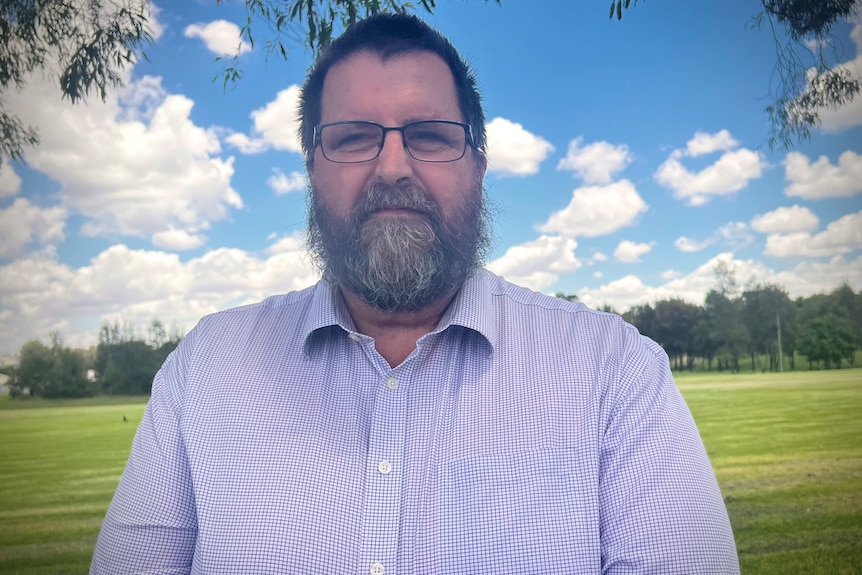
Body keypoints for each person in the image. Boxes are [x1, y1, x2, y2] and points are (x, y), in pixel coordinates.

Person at [91, 13, 740, 574]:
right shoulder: (205, 368)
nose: (393, 166)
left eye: (429, 135)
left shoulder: (612, 371)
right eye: (353, 138)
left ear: (478, 168)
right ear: (313, 171)